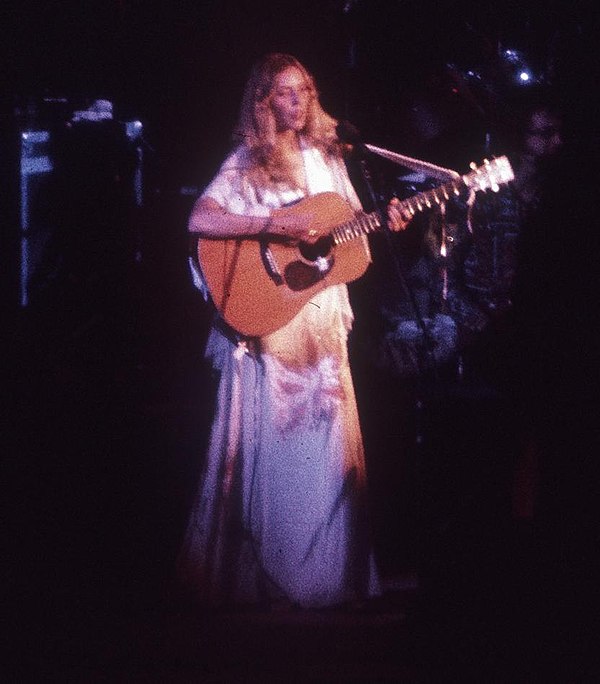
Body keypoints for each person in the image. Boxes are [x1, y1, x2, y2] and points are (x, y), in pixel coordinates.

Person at [176, 53, 409, 609]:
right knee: (282, 453)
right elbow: (200, 220)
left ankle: (330, 582)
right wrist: (270, 223)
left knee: (328, 450)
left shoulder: (332, 158)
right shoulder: (247, 161)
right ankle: (268, 576)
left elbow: (353, 234)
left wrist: (391, 217)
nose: (297, 102)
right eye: (284, 93)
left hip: (322, 322)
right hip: (274, 319)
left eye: (304, 90)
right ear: (263, 101)